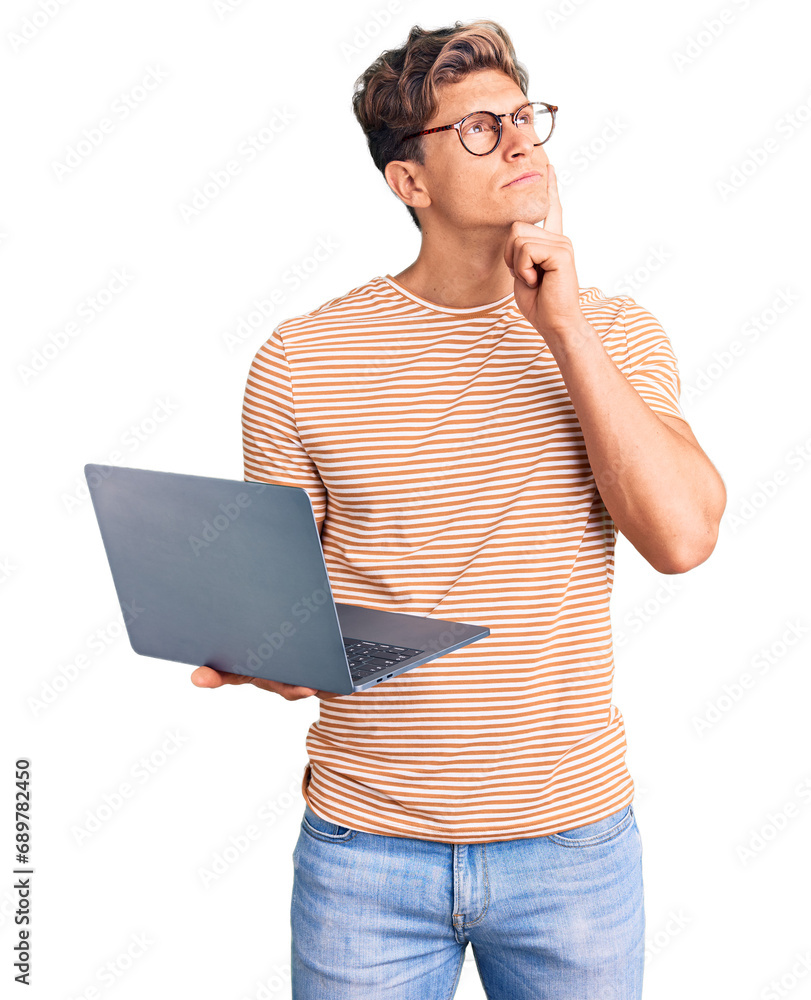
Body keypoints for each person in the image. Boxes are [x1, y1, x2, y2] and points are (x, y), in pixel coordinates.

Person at [190, 18, 726, 999]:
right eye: (481, 128)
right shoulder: (302, 360)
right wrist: (267, 654)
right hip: (366, 854)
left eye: (526, 116)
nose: (521, 140)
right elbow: (277, 611)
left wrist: (559, 329)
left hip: (573, 847)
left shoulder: (609, 330)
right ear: (410, 182)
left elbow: (683, 535)